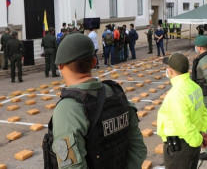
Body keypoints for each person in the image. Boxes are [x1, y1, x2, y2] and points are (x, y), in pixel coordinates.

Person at [43, 34, 147, 169]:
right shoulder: (116, 93)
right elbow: (138, 148)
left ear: (60, 66)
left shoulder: (68, 109)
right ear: (93, 62)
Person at [157, 53, 207, 169]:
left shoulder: (176, 94)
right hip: (193, 142)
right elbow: (204, 112)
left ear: (170, 71)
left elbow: (183, 124)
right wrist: (201, 133)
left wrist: (199, 139)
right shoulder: (194, 87)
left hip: (179, 148)